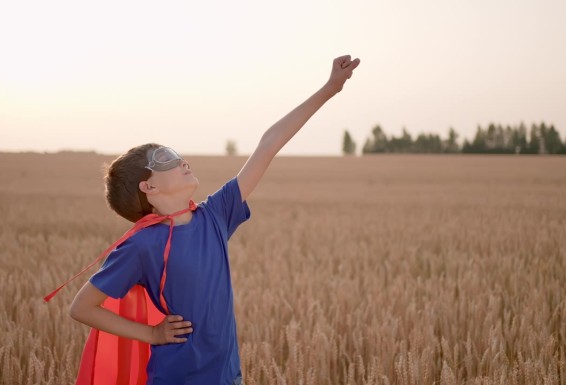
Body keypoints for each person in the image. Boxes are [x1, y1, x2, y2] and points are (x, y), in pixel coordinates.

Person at [57, 55, 360, 385]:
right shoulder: (141, 244)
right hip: (176, 378)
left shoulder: (215, 214)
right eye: (165, 158)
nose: (180, 160)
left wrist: (329, 88)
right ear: (150, 187)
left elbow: (269, 143)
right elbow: (82, 307)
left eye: (174, 152)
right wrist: (152, 334)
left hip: (227, 377)